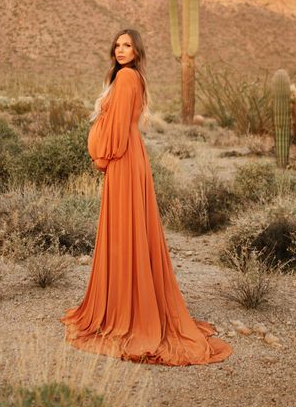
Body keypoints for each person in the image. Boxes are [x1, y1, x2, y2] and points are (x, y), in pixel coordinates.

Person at [60, 28, 233, 366]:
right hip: (129, 159)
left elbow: (120, 126)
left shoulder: (126, 79)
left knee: (125, 231)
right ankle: (132, 301)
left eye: (128, 45)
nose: (121, 49)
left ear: (136, 52)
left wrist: (103, 157)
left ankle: (130, 312)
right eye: (118, 45)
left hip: (123, 160)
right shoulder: (127, 77)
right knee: (128, 231)